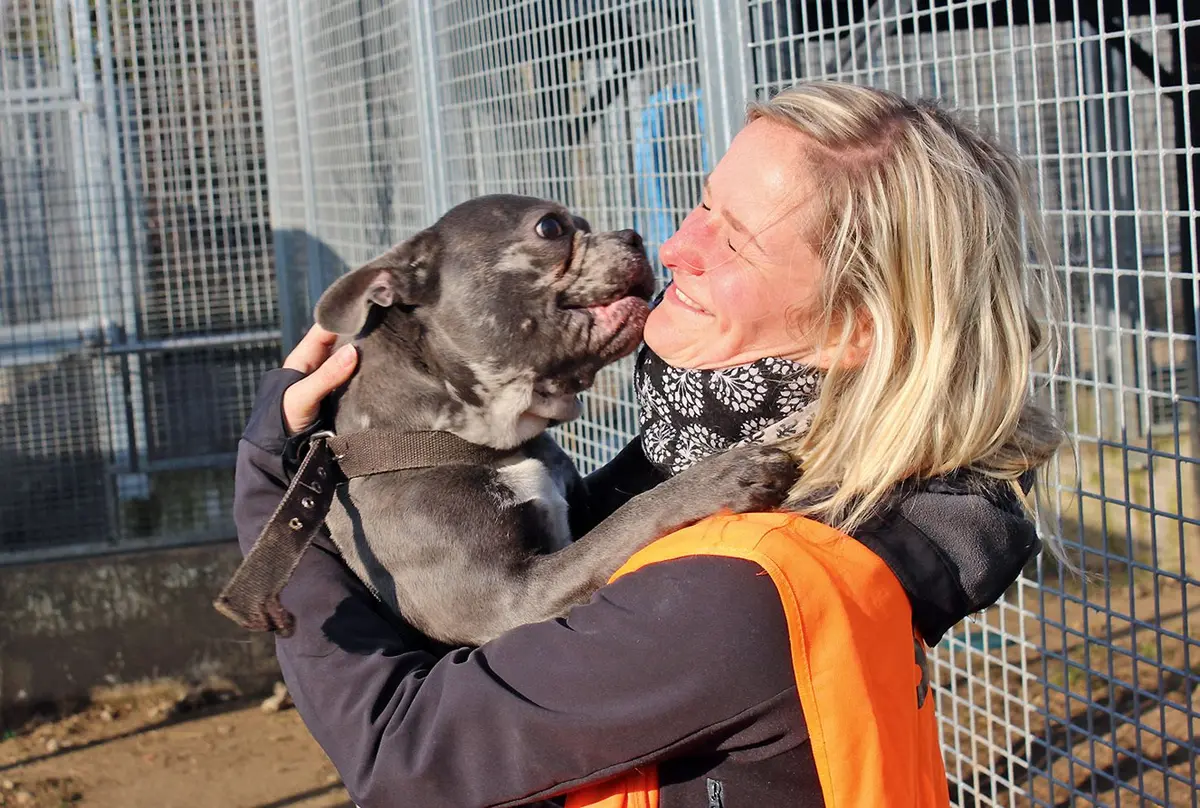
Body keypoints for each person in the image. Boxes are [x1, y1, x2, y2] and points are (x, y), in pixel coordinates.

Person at [233, 82, 1063, 807]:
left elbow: (403, 756)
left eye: (733, 238)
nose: (672, 246)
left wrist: (274, 495)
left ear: (855, 329)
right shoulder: (819, 481)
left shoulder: (748, 588)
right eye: (703, 203)